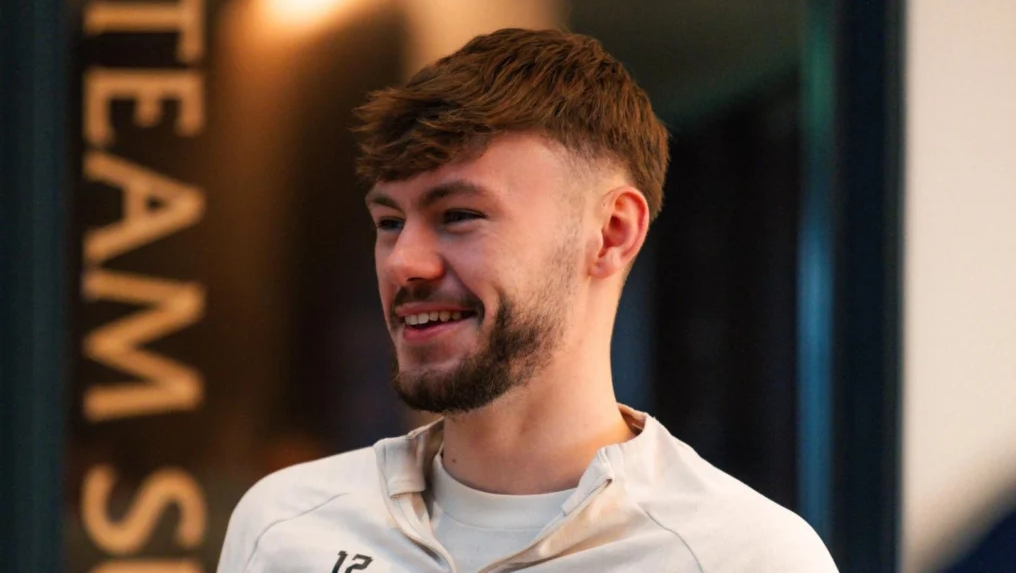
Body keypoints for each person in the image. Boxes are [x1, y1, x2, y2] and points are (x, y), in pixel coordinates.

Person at [217, 28, 837, 572]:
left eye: (459, 215)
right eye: (389, 222)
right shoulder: (284, 526)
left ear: (611, 233)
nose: (403, 262)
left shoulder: (743, 557)